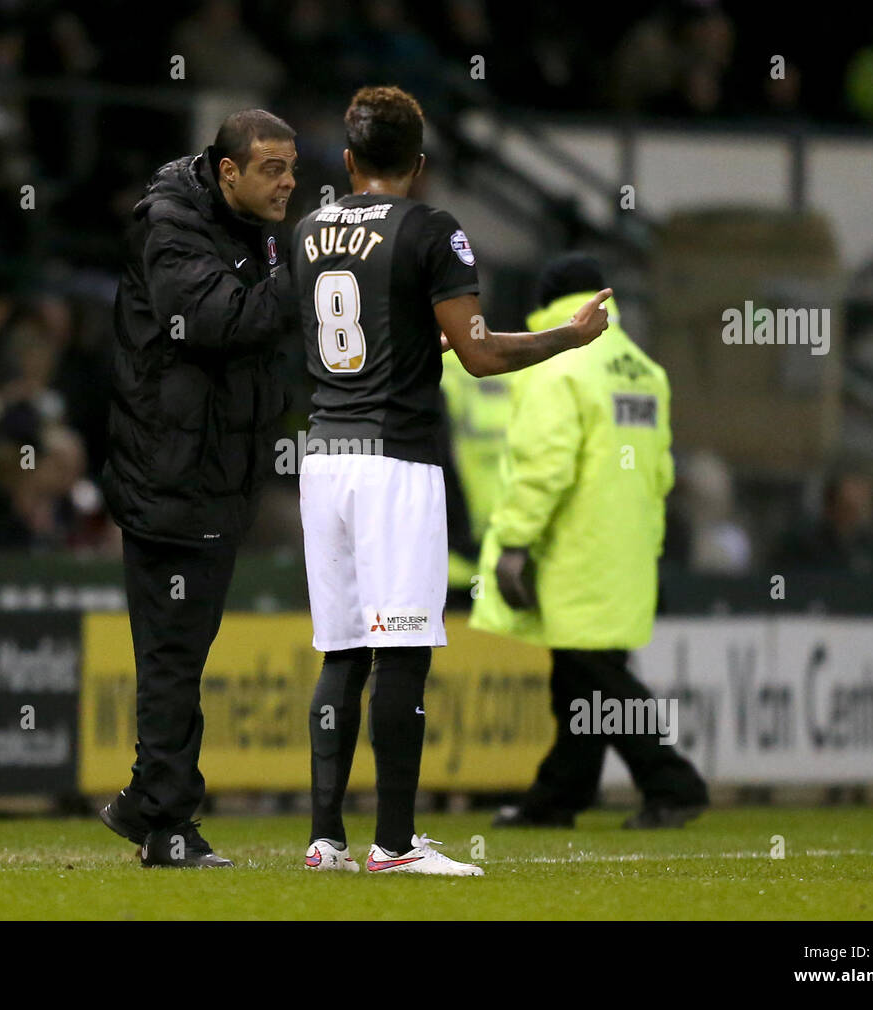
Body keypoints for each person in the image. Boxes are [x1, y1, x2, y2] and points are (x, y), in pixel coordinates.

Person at [292, 87, 611, 875]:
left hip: (323, 456)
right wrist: (566, 339)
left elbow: (362, 336)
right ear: (421, 165)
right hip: (394, 460)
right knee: (400, 652)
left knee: (339, 651)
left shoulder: (307, 231)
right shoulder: (431, 229)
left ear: (348, 160)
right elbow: (478, 354)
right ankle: (395, 846)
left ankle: (325, 839)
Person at [96, 110, 300, 868]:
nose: (288, 182)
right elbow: (218, 319)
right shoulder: (171, 227)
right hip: (169, 476)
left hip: (216, 476)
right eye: (272, 169)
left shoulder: (258, 231)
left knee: (178, 652)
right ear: (227, 172)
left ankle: (147, 801)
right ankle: (167, 821)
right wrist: (305, 274)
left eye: (293, 168)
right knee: (174, 655)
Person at [470, 253, 708, 829]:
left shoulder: (560, 364)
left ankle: (671, 782)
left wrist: (516, 542)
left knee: (595, 673)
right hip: (628, 548)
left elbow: (543, 465)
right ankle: (560, 795)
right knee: (581, 676)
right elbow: (662, 473)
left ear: (548, 303)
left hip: (574, 546)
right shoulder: (645, 369)